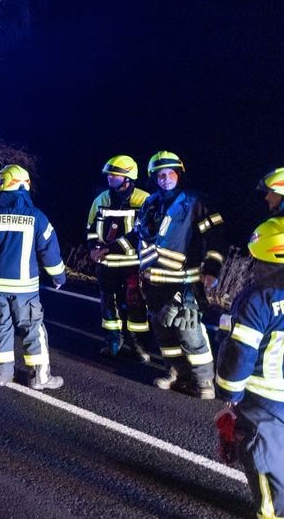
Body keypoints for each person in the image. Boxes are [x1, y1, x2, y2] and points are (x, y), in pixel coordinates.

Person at [0, 164, 68, 389]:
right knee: (33, 330)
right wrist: (59, 277)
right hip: (26, 291)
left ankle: (2, 375)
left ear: (6, 184)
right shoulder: (37, 217)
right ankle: (40, 379)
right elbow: (49, 252)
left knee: (0, 328)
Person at [137, 151, 226, 399]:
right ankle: (176, 374)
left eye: (169, 174)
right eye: (160, 175)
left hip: (184, 282)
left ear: (179, 174)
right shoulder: (150, 202)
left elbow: (215, 237)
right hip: (153, 283)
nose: (164, 179)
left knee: (189, 330)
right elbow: (141, 238)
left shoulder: (196, 201)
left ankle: (204, 381)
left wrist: (211, 269)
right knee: (163, 330)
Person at [214, 216, 284, 519]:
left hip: (261, 399)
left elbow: (239, 351)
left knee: (263, 461)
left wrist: (229, 395)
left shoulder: (257, 299)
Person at [86, 155, 152, 362]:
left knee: (136, 303)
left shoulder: (144, 200)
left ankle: (138, 344)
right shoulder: (101, 199)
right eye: (109, 175)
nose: (109, 179)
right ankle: (113, 340)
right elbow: (90, 228)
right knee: (108, 302)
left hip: (133, 264)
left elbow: (145, 233)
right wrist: (93, 249)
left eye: (114, 176)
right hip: (106, 265)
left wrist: (112, 248)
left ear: (128, 178)